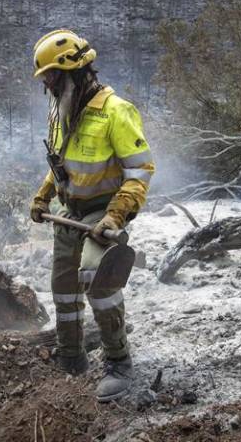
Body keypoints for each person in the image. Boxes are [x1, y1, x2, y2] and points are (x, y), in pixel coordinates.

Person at [29, 29, 155, 402]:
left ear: (75, 70)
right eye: (45, 78)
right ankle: (72, 357)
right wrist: (42, 196)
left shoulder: (116, 111)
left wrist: (115, 216)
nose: (48, 85)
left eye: (52, 76)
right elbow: (60, 165)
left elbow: (140, 171)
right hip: (72, 213)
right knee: (62, 290)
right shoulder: (63, 110)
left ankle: (119, 364)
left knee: (96, 280)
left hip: (103, 212)